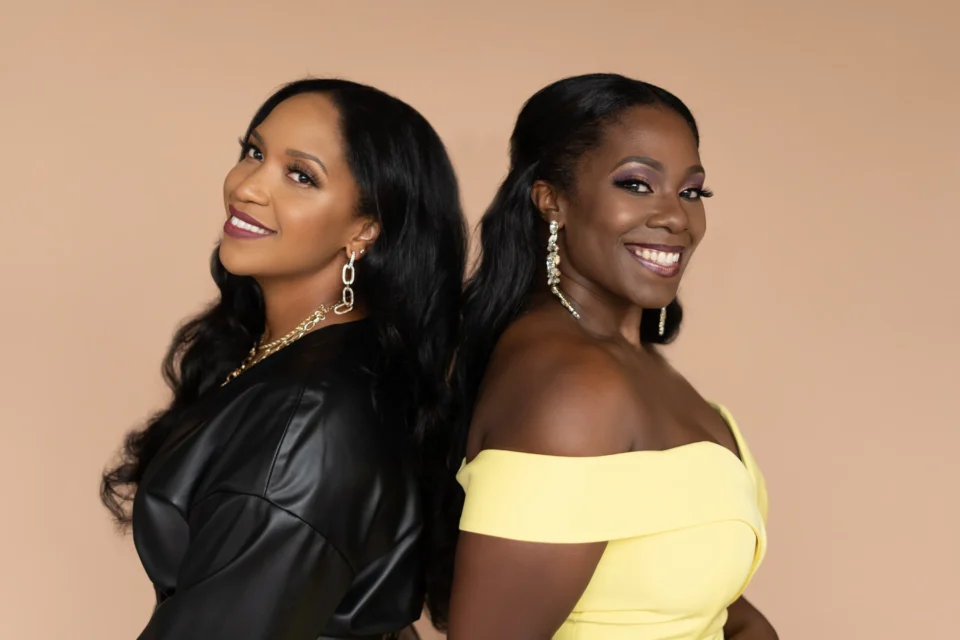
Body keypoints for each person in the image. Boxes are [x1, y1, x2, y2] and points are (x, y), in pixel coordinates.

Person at [101, 78, 466, 640]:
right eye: (253, 152)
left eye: (301, 176)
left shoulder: (308, 420)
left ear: (365, 229)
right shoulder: (315, 357)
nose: (246, 186)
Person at [427, 74, 778, 639]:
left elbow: (712, 604)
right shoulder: (574, 387)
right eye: (637, 185)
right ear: (552, 200)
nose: (677, 218)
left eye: (692, 191)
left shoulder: (629, 362)